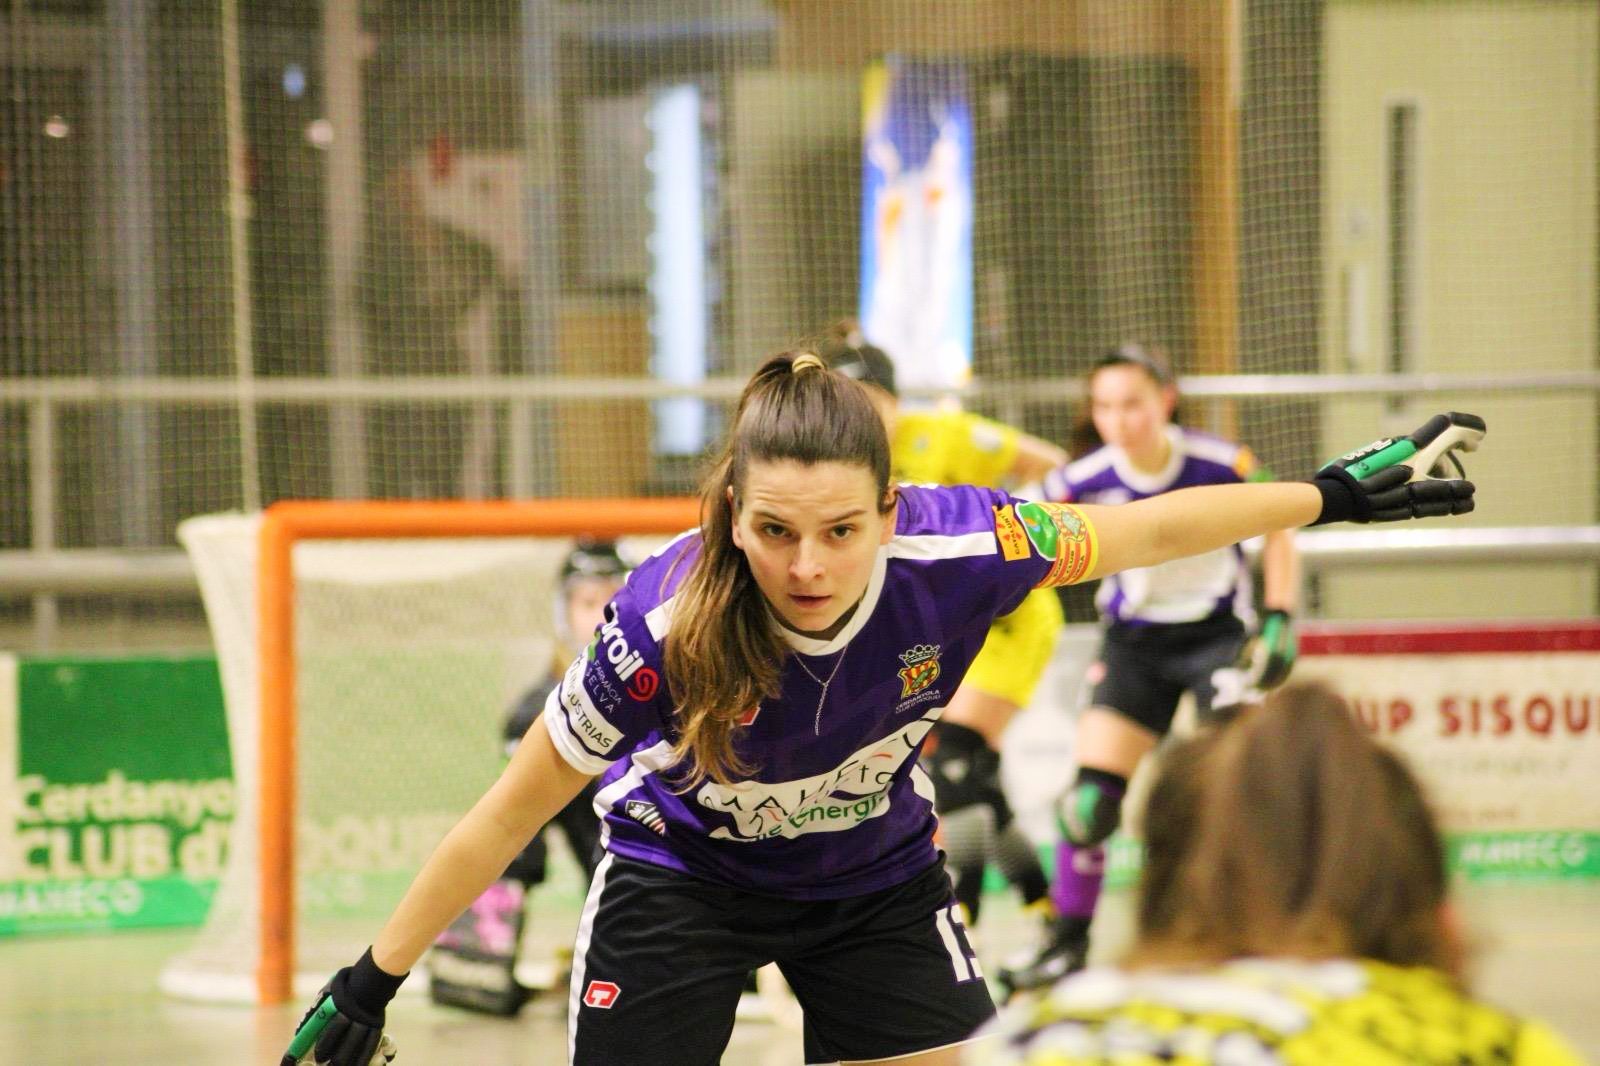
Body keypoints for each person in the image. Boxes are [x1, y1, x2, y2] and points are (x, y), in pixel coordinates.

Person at [280, 351, 1476, 1066]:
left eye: (842, 530)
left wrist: (1323, 497)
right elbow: (502, 816)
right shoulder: (655, 629)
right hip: (680, 883)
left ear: (893, 511)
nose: (808, 565)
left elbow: (1139, 530)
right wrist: (373, 978)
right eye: (774, 532)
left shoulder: (966, 546)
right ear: (730, 513)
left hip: (873, 885)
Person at [967, 682, 1588, 1065]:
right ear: (1422, 893)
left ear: (1168, 887)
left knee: (1086, 805)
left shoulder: (1024, 1040)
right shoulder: (1487, 1046)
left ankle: (1062, 935)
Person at [997, 342, 1301, 996]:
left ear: (1165, 399)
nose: (1118, 420)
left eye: (1132, 403)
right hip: (1134, 646)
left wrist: (1279, 615)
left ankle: (1255, 938)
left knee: (1239, 793)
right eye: (1103, 407)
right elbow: (1011, 527)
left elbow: (1283, 521)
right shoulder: (1085, 477)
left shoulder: (1220, 463)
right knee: (1088, 806)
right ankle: (1067, 946)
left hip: (1216, 639)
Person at [823, 321, 1066, 928]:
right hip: (934, 627)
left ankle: (963, 912)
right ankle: (1049, 907)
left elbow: (1055, 467)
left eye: (868, 402)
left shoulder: (948, 434)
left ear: (894, 399)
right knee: (970, 771)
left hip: (1007, 619)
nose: (858, 416)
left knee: (953, 760)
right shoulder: (839, 457)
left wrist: (1012, 538)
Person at [426, 541, 626, 1015]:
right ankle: (478, 960)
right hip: (623, 907)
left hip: (687, 894)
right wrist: (483, 969)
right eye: (587, 602)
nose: (602, 615)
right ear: (563, 611)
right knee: (513, 835)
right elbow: (511, 835)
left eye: (614, 599)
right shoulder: (538, 711)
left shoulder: (670, 692)